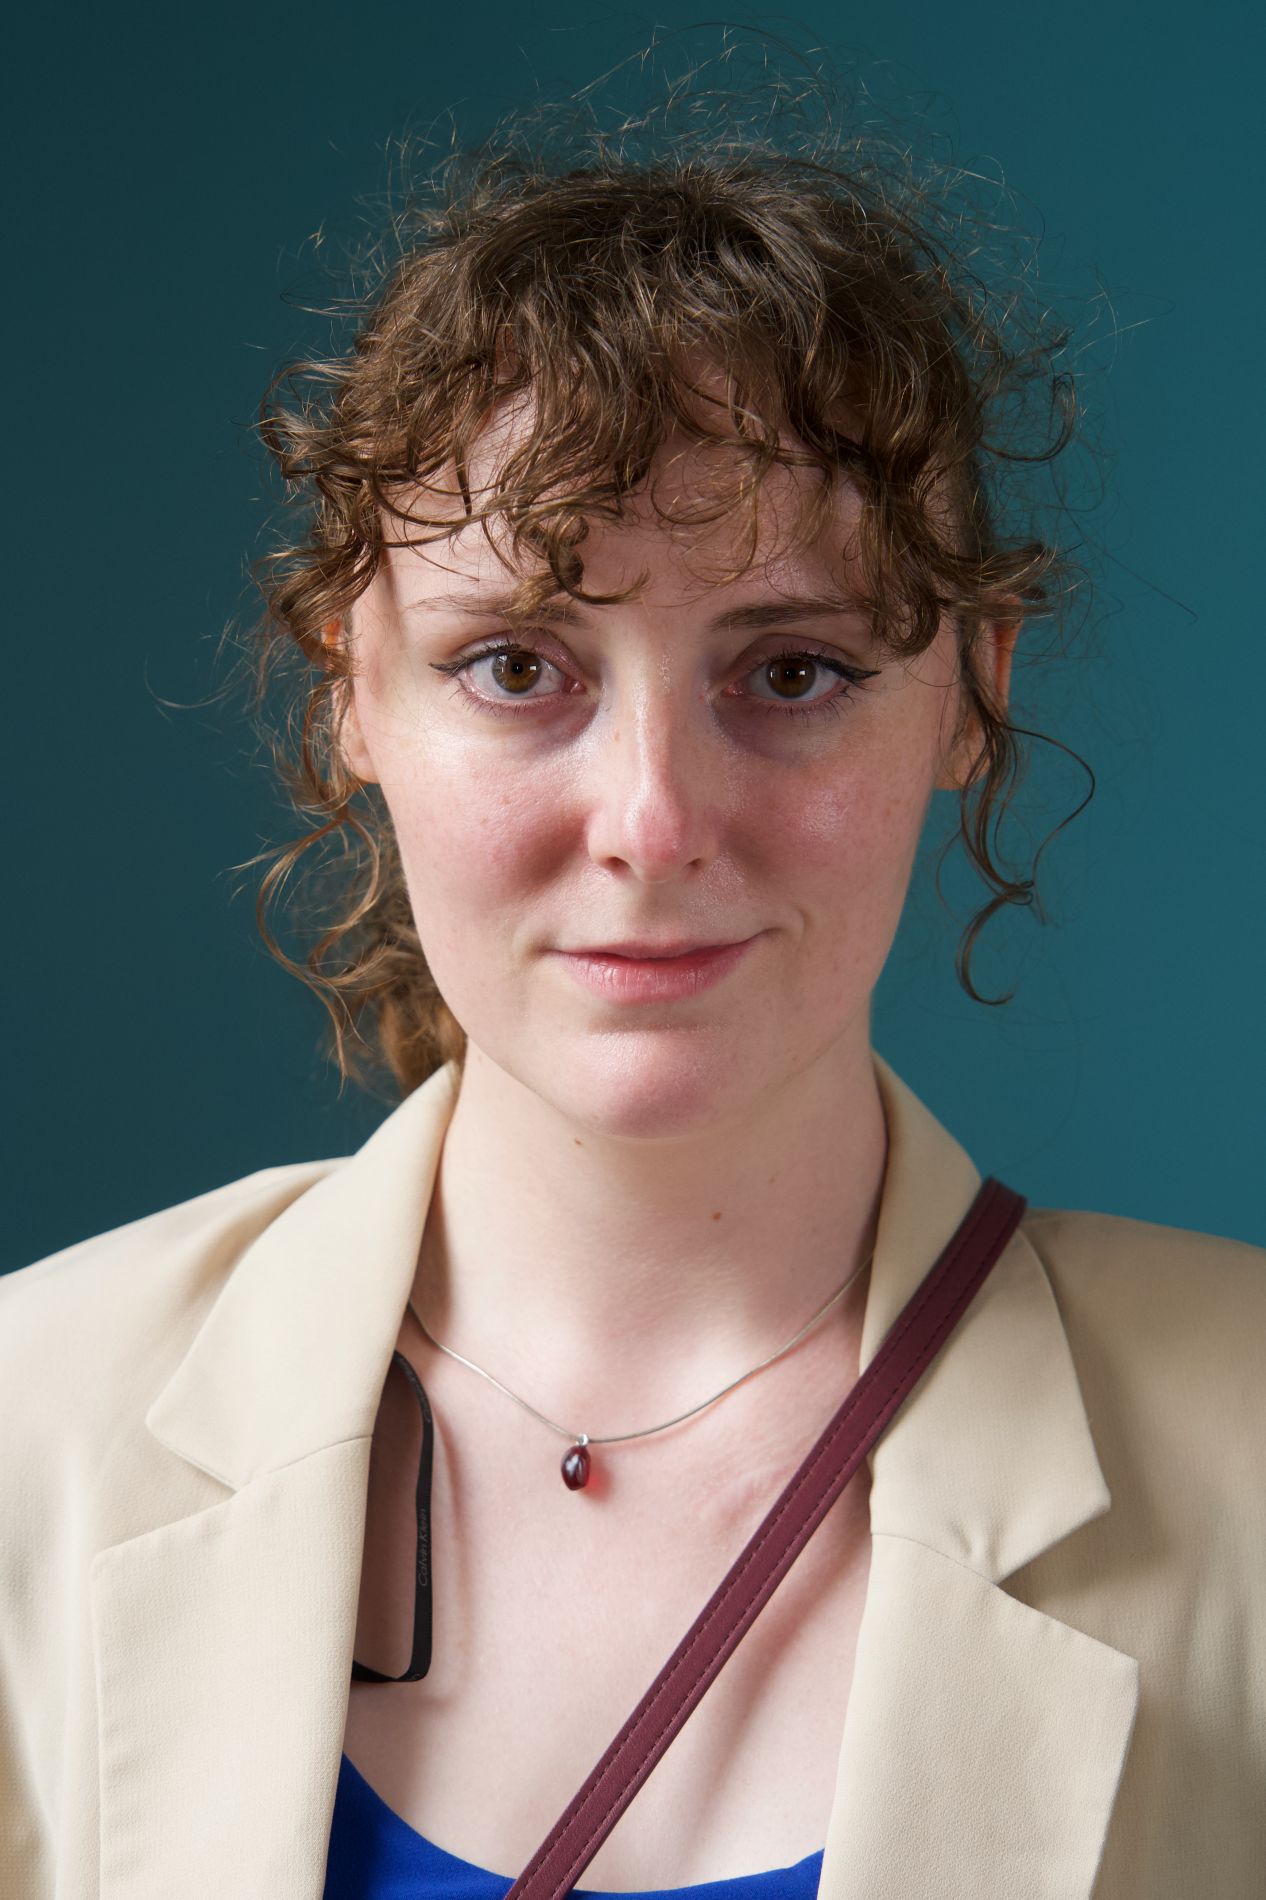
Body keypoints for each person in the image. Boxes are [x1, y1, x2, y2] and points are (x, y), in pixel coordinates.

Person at [2, 68, 1263, 1900]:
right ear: (351, 691)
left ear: (970, 694)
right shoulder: (27, 1429)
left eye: (793, 670)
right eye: (518, 665)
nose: (653, 823)